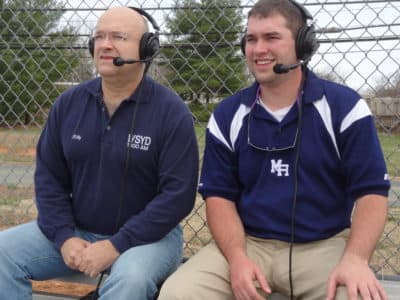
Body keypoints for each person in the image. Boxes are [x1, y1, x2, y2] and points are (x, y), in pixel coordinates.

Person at [158, 0, 390, 299]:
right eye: (251, 39)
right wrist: (238, 258)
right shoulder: (228, 114)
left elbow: (372, 192)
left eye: (271, 37)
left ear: (303, 44)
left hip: (323, 245)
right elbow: (219, 197)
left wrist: (356, 259)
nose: (258, 49)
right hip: (247, 244)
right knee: (178, 294)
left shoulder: (344, 107)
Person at [0, 6, 199, 300]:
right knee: (3, 253)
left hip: (149, 240)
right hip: (78, 232)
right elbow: (49, 179)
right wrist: (64, 236)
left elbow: (177, 196)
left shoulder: (172, 113)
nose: (105, 45)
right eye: (99, 37)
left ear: (147, 48)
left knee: (130, 279)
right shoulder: (69, 104)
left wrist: (116, 244)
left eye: (118, 37)